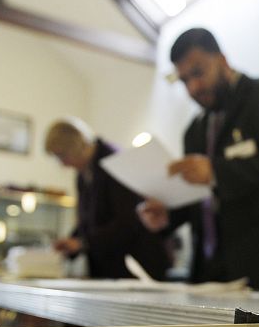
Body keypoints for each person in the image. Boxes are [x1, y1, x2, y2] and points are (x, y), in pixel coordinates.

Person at [138, 28, 259, 290]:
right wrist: (169, 216)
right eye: (184, 80)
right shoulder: (194, 131)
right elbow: (201, 197)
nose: (193, 87)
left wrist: (216, 172)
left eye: (198, 73)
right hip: (209, 272)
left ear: (222, 60)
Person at [45, 118, 172, 280]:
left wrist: (83, 243)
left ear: (74, 146)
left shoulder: (114, 162)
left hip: (134, 266)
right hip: (106, 267)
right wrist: (73, 240)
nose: (63, 164)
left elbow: (128, 220)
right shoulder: (83, 174)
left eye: (62, 156)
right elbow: (87, 220)